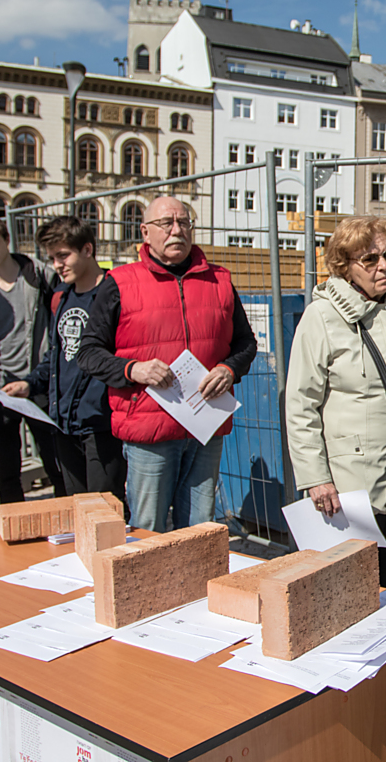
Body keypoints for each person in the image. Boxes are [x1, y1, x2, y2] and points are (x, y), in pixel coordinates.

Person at [77, 196, 257, 532]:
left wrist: (229, 369)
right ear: (145, 232)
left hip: (205, 426)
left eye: (184, 222)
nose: (177, 230)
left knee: (200, 529)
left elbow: (246, 342)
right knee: (148, 528)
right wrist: (133, 369)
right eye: (166, 223)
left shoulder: (219, 281)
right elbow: (88, 351)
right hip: (149, 430)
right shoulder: (119, 282)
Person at [286, 216, 386, 589]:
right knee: (355, 587)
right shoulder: (322, 318)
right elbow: (301, 405)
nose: (384, 266)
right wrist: (316, 477)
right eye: (370, 259)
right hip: (350, 487)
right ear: (344, 266)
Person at [2, 216, 126, 506]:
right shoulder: (61, 297)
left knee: (105, 509)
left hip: (102, 422)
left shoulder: (115, 293)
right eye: (52, 258)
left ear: (87, 249)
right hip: (64, 423)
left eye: (63, 255)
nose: (57, 265)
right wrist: (30, 384)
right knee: (75, 507)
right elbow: (57, 355)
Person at [0, 213, 66, 503]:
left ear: (6, 239)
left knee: (57, 465)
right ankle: (14, 524)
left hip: (40, 386)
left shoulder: (39, 276)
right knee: (6, 472)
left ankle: (66, 521)